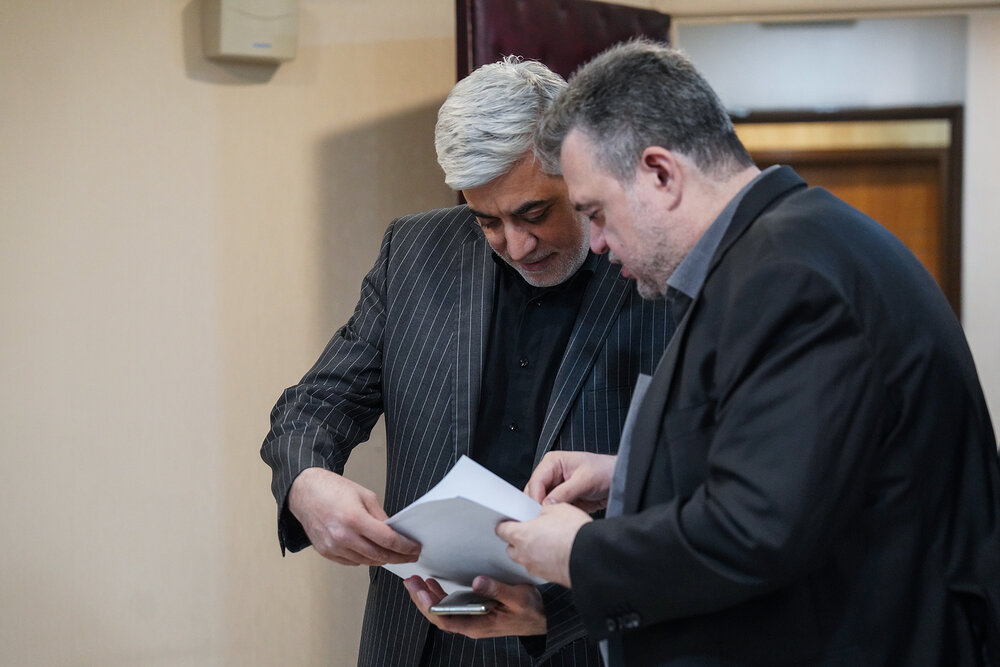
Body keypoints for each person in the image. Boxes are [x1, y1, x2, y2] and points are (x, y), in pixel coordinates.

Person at [496, 39, 1000, 665]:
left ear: (660, 174)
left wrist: (580, 554)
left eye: (596, 212)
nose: (596, 242)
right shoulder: (786, 249)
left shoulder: (789, 277)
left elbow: (758, 527)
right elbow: (804, 467)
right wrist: (629, 476)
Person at [260, 56, 674, 666]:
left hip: (577, 633)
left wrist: (566, 604)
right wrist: (306, 482)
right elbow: (317, 403)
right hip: (421, 633)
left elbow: (698, 480)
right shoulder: (415, 250)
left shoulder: (658, 263)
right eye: (488, 221)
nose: (517, 245)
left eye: (534, 213)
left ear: (579, 165)